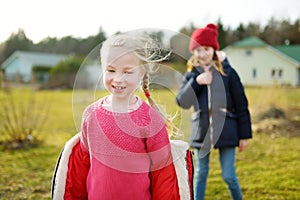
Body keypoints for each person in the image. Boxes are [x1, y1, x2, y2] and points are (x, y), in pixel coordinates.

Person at [51, 32, 194, 200]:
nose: (118, 78)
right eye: (111, 70)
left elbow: (162, 172)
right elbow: (83, 161)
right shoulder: (90, 114)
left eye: (128, 72)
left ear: (141, 75)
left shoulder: (150, 119)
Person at [176, 23, 252, 200]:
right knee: (200, 174)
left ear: (214, 49)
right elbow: (182, 101)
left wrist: (244, 135)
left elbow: (241, 104)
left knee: (228, 176)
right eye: (198, 50)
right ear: (193, 52)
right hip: (202, 132)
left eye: (207, 49)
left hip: (227, 130)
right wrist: (198, 82)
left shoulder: (228, 73)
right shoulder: (191, 75)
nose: (203, 54)